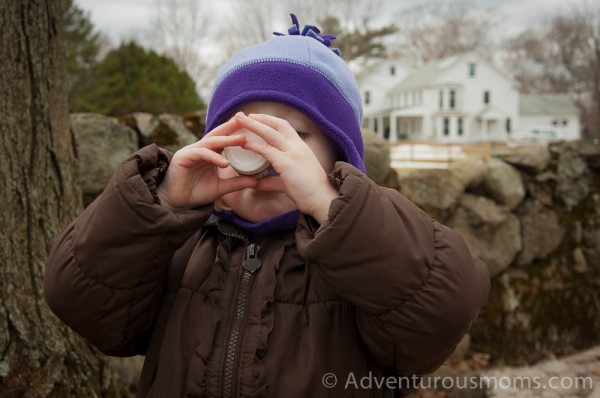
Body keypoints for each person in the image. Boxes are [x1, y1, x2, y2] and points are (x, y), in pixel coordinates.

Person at [44, 14, 490, 398]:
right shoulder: (179, 248)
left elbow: (444, 312)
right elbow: (77, 299)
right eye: (242, 131)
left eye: (293, 134)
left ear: (339, 160)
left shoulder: (361, 261)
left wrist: (333, 209)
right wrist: (161, 203)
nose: (264, 152)